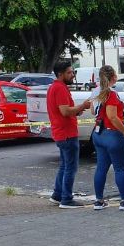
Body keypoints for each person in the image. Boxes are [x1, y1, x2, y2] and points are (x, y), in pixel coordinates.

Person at [90, 65, 124, 211]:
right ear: (113, 77)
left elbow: (92, 111)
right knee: (120, 169)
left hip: (98, 133)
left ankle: (99, 200)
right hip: (112, 134)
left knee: (101, 168)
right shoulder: (112, 94)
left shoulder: (95, 92)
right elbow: (112, 117)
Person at [47, 62, 91, 208]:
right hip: (66, 133)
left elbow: (65, 111)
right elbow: (65, 111)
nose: (73, 75)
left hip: (62, 132)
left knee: (64, 165)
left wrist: (77, 111)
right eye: (70, 72)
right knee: (70, 167)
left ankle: (57, 195)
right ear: (61, 74)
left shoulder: (56, 87)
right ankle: (66, 199)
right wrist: (82, 106)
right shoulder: (59, 88)